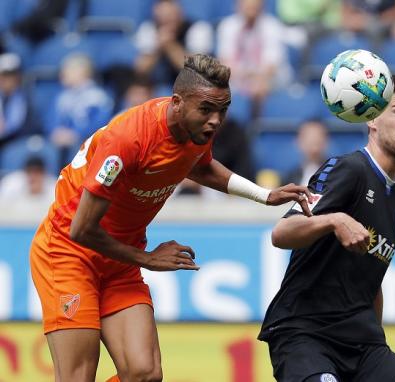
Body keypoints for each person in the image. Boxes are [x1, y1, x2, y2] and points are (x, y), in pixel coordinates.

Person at [30, 54, 312, 382]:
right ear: (177, 102)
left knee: (144, 374)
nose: (216, 121)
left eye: (223, 110)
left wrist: (265, 195)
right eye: (207, 110)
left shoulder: (195, 130)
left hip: (118, 259)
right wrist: (147, 258)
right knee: (78, 377)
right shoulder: (128, 139)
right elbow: (81, 229)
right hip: (68, 252)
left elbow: (201, 165)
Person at [259, 74, 395, 382]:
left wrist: (378, 339)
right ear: (373, 119)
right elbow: (282, 233)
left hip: (362, 342)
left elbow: (372, 279)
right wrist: (335, 219)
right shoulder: (348, 169)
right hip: (305, 333)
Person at [283, 120, 329, 185]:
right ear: (298, 142)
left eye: (317, 140)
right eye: (309, 140)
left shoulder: (336, 173)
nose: (314, 140)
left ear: (326, 141)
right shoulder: (290, 176)